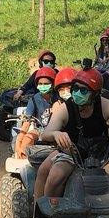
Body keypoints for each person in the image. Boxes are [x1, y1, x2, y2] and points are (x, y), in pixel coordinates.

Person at [40, 67, 109, 195]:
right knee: (55, 176)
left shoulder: (105, 105)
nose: (77, 93)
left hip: (101, 156)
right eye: (75, 89)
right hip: (71, 156)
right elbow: (45, 134)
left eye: (83, 90)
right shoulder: (64, 109)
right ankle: (46, 211)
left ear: (95, 93)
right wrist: (55, 133)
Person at [33, 67, 77, 200]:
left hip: (89, 151)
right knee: (43, 171)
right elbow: (47, 133)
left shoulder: (94, 104)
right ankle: (39, 210)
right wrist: (55, 135)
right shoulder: (58, 107)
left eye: (69, 88)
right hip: (65, 151)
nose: (65, 92)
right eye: (61, 89)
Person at [14, 67, 57, 159]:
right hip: (39, 130)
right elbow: (27, 121)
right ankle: (25, 161)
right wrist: (20, 139)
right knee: (27, 139)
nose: (43, 86)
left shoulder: (58, 98)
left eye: (46, 84)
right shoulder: (34, 99)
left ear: (53, 84)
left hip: (56, 130)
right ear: (37, 85)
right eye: (40, 84)